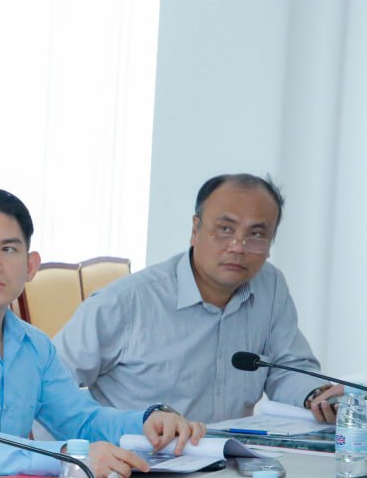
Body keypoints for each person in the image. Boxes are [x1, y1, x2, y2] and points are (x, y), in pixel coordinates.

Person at [0, 188, 204, 478]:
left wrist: (148, 421)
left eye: (8, 249)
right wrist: (69, 457)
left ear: (31, 266)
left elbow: (81, 420)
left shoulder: (32, 344)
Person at [54, 173, 342, 424]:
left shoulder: (271, 286)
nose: (238, 247)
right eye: (225, 229)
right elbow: (48, 387)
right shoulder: (125, 303)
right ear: (195, 229)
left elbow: (286, 369)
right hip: (138, 461)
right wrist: (73, 453)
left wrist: (315, 395)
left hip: (229, 458)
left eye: (256, 234)